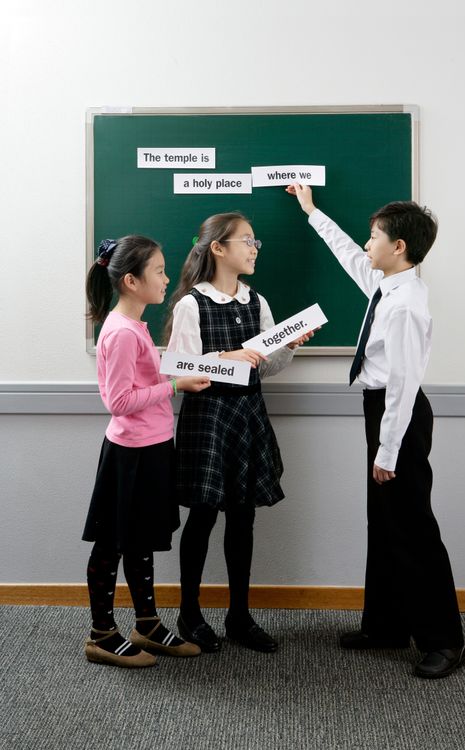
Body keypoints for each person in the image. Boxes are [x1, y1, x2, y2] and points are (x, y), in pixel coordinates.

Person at [287, 184, 465, 679]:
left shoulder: (406, 304)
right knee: (384, 523)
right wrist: (311, 211)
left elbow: (405, 384)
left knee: (413, 528)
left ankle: (445, 641)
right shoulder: (388, 284)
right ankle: (386, 625)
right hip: (381, 411)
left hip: (399, 416)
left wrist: (388, 451)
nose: (367, 244)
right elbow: (348, 255)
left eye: (374, 237)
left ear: (399, 247)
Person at [165, 212, 314, 653]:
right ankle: (189, 614)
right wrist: (231, 355)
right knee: (204, 515)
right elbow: (180, 367)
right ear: (218, 248)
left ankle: (239, 617)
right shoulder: (192, 304)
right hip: (209, 419)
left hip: (248, 413)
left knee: (243, 516)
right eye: (247, 241)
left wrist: (285, 346)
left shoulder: (257, 302)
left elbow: (265, 368)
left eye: (255, 241)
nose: (254, 248)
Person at [83, 235, 210, 667]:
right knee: (111, 544)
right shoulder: (120, 333)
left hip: (153, 447)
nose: (167, 278)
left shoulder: (135, 326)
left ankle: (147, 624)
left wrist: (202, 368)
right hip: (130, 455)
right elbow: (118, 402)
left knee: (139, 542)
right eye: (158, 271)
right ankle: (101, 633)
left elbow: (150, 379)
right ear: (132, 281)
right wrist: (174, 386)